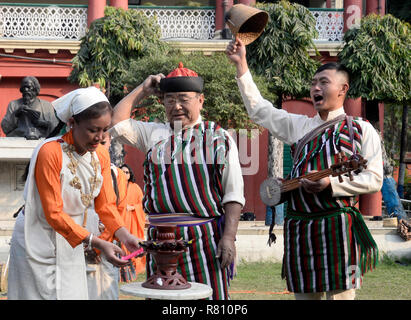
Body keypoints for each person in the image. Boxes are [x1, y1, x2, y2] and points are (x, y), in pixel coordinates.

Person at [226, 38, 383, 300]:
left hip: (338, 229)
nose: (315, 88)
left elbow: (374, 179)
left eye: (324, 82)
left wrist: (332, 184)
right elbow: (259, 111)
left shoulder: (361, 129)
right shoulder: (299, 126)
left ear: (343, 89)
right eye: (313, 83)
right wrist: (242, 65)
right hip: (299, 229)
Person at [109, 63, 245, 300]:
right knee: (162, 297)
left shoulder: (219, 138)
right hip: (159, 241)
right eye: (170, 100)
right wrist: (142, 89)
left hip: (204, 239)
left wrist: (229, 238)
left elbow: (233, 195)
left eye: (184, 99)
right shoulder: (154, 133)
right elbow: (116, 123)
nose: (176, 106)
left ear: (200, 100)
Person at [7, 86, 141, 300]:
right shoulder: (50, 152)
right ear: (72, 123)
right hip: (38, 237)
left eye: (104, 130)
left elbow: (105, 205)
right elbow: (53, 213)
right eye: (92, 130)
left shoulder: (101, 156)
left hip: (72, 237)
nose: (99, 137)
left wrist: (124, 234)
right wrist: (94, 241)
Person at [119, 163, 146, 280]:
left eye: (127, 172)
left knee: (132, 241)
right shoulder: (115, 185)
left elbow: (142, 204)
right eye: (122, 172)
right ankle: (121, 266)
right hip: (120, 219)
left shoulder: (135, 187)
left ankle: (133, 265)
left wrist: (133, 207)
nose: (125, 174)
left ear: (130, 174)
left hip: (133, 220)